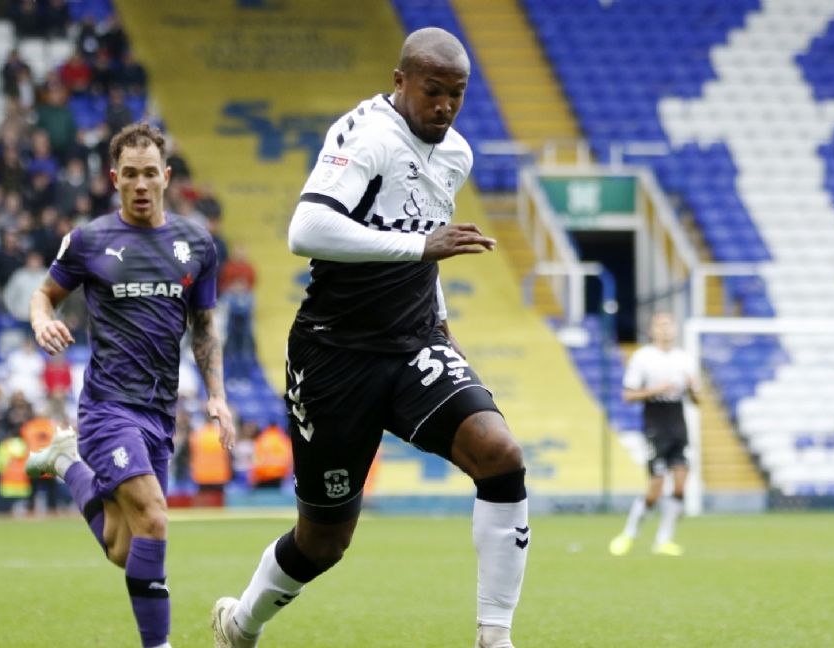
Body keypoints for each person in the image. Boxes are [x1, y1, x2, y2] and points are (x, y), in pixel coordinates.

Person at [211, 27, 529, 648]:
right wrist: (420, 246)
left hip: (413, 345)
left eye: (457, 95)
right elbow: (306, 229)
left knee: (500, 454)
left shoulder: (456, 154)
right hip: (334, 356)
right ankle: (241, 624)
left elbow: (426, 247)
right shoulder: (367, 136)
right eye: (433, 91)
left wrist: (443, 326)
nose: (445, 106)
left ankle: (495, 637)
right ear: (400, 81)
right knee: (324, 541)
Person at [26, 122, 235, 648]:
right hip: (107, 407)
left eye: (150, 174)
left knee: (125, 547)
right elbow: (43, 295)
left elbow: (203, 326)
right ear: (114, 178)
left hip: (159, 412)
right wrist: (42, 321)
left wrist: (217, 395)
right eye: (131, 174)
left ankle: (67, 462)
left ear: (166, 177)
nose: (141, 184)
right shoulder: (89, 241)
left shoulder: (197, 244)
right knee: (155, 520)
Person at [609, 311, 700, 557]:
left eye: (669, 324)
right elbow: (628, 395)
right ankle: (629, 533)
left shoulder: (685, 359)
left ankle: (664, 540)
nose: (665, 329)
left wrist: (692, 389)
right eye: (660, 325)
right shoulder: (643, 358)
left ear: (675, 329)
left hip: (678, 422)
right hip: (655, 424)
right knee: (656, 488)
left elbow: (697, 400)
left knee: (680, 484)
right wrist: (656, 389)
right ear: (652, 330)